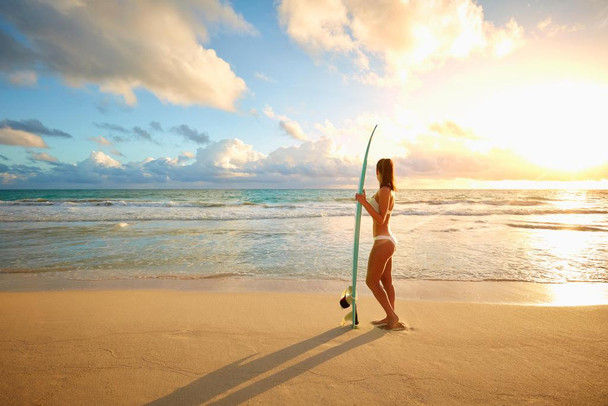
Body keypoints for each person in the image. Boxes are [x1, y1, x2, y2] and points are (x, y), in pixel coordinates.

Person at [355, 158, 404, 330]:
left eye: (376, 171)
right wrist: (367, 201)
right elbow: (381, 213)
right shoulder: (388, 191)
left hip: (383, 242)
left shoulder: (384, 190)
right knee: (386, 280)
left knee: (371, 281)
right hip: (386, 240)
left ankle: (392, 316)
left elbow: (380, 219)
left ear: (379, 172)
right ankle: (390, 316)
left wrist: (363, 202)